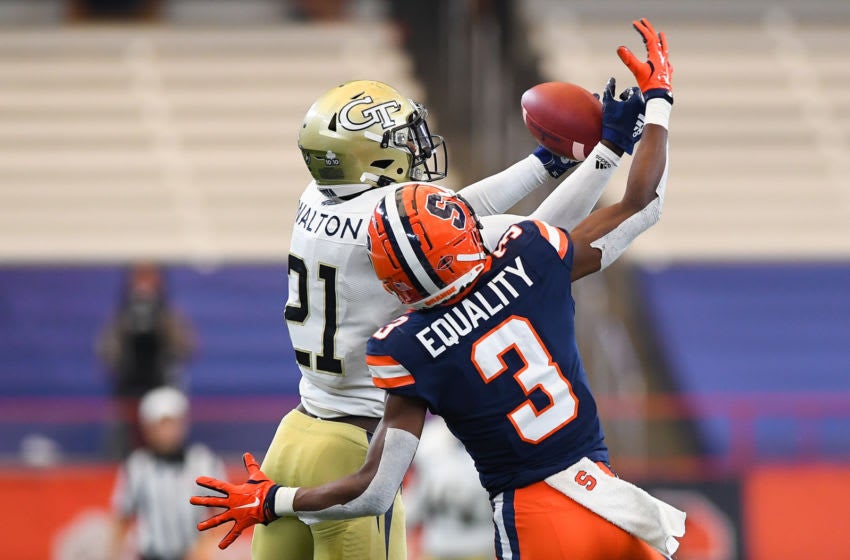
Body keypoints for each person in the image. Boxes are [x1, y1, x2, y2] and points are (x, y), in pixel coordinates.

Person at [191, 18, 683, 560]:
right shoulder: (418, 290)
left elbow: (465, 218)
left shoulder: (321, 201)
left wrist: (549, 161)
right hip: (357, 448)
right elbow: (535, 229)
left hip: (297, 432)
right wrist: (606, 153)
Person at [109, 386, 224, 560]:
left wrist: (206, 546)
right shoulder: (137, 466)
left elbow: (226, 512)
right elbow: (121, 518)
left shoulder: (203, 461)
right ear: (147, 429)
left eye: (171, 423)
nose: (167, 432)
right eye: (161, 425)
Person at [97, 262, 196, 459]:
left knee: (166, 438)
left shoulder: (168, 316)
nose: (144, 286)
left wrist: (163, 329)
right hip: (129, 393)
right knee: (122, 445)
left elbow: (187, 347)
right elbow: (107, 353)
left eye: (149, 278)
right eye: (140, 278)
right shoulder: (121, 318)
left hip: (161, 388)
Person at [404, 416, 493, 560]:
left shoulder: (497, 445)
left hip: (483, 545)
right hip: (439, 545)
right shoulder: (431, 444)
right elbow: (415, 506)